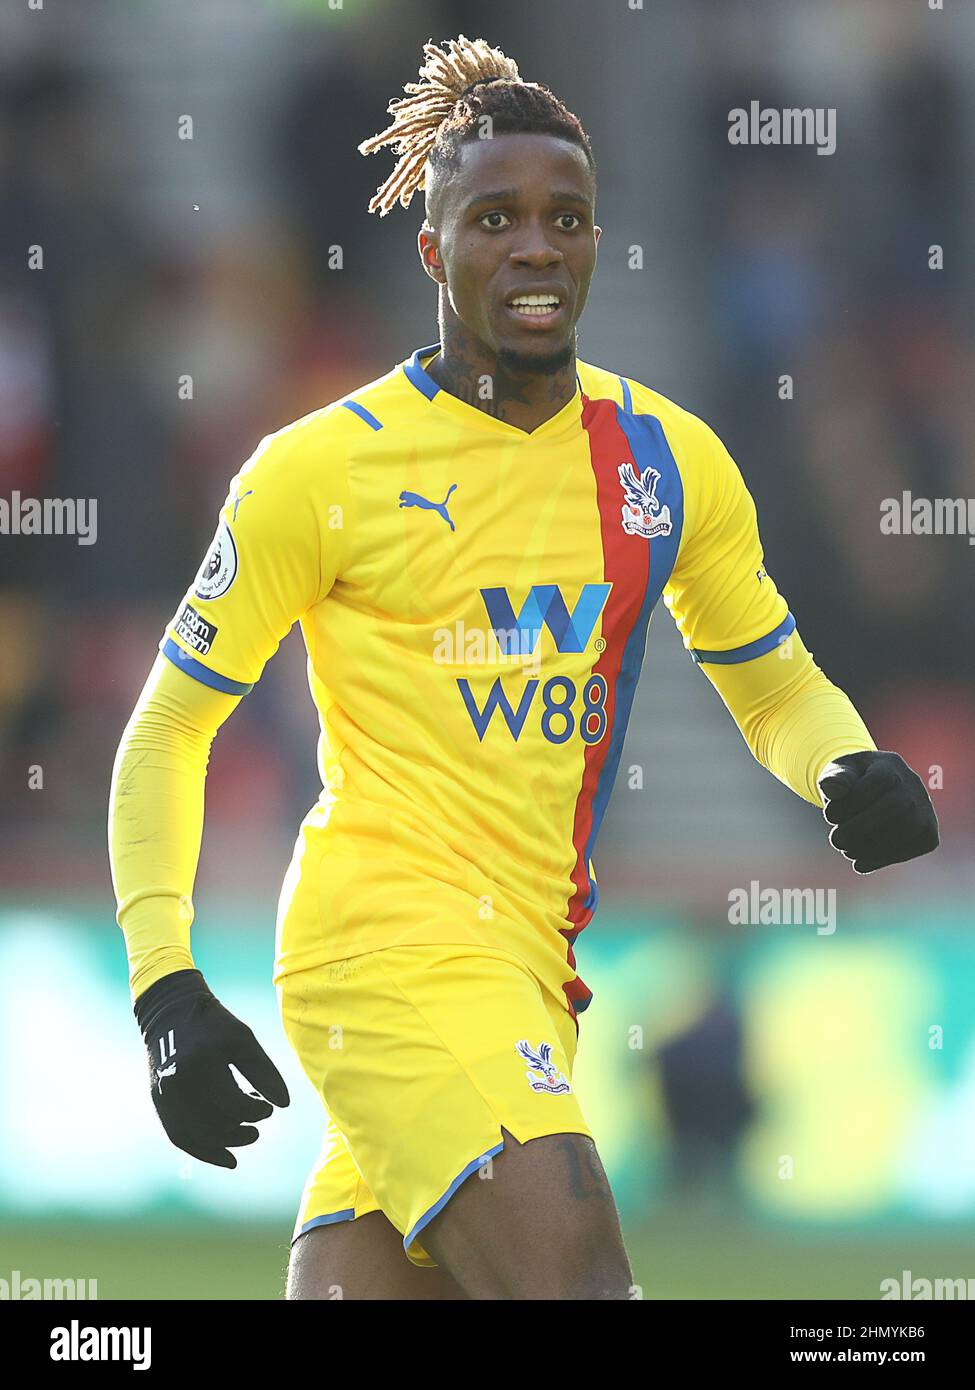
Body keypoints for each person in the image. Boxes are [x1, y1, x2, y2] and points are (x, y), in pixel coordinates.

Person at [109, 35, 938, 1301]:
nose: (538, 246)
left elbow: (771, 681)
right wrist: (166, 984)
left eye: (568, 218)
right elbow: (168, 728)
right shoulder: (318, 471)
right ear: (434, 250)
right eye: (496, 218)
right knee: (582, 1286)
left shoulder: (665, 463)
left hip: (526, 972)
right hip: (383, 947)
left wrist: (847, 761)